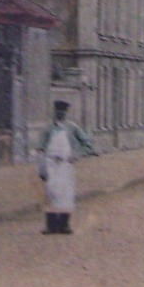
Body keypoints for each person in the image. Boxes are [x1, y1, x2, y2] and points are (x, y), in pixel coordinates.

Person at [35, 100, 96, 235]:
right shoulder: (48, 129)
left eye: (63, 112)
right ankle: (50, 226)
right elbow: (40, 148)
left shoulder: (72, 128)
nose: (60, 114)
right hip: (50, 164)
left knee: (66, 194)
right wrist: (41, 167)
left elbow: (87, 143)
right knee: (50, 193)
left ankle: (64, 225)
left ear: (66, 113)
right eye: (58, 111)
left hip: (66, 165)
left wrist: (76, 154)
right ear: (54, 112)